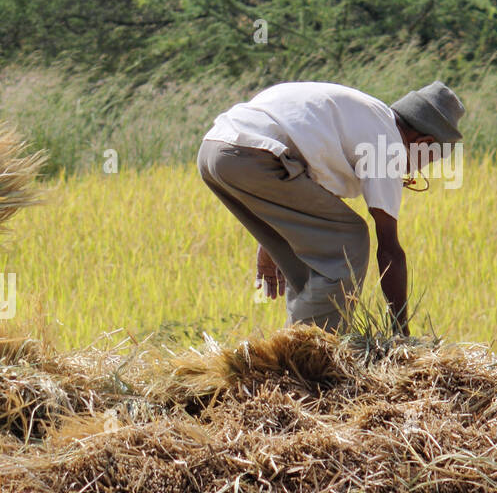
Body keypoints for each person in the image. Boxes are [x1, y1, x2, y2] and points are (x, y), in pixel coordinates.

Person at [197, 80, 465, 335]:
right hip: (254, 155)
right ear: (424, 144)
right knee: (349, 238)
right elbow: (389, 248)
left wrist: (270, 246)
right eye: (427, 161)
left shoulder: (361, 118)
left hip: (216, 151)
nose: (417, 170)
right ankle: (311, 353)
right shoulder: (387, 144)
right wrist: (401, 332)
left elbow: (299, 201)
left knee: (311, 262)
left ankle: (295, 348)